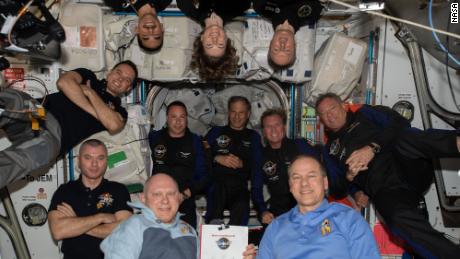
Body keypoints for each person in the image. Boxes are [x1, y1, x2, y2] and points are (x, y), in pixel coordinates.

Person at [316, 92, 460, 258]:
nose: (330, 115)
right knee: (395, 218)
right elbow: (337, 189)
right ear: (321, 119)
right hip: (386, 189)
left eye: (332, 108)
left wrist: (372, 148)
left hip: (407, 165)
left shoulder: (365, 113)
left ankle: (456, 142)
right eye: (324, 114)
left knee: (405, 137)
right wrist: (350, 178)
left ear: (343, 105)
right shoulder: (329, 151)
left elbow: (400, 122)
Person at [0, 60, 137, 189]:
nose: (120, 79)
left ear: (128, 88)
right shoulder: (88, 76)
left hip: (54, 137)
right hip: (40, 112)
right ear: (110, 72)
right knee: (14, 102)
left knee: (27, 159)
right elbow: (64, 82)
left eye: (127, 79)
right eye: (119, 72)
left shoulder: (120, 112)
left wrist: (90, 93)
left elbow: (113, 125)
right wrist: (99, 113)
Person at [255, 155, 380, 259]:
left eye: (311, 176)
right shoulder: (275, 228)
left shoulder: (350, 220)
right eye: (297, 177)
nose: (304, 183)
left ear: (325, 183)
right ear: (290, 186)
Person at [48, 139, 132, 259]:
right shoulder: (65, 191)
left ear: (106, 161)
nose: (94, 164)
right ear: (78, 161)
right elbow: (58, 231)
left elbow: (125, 231)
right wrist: (100, 217)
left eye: (100, 158)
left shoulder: (118, 190)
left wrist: (75, 222)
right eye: (88, 157)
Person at [205, 96, 265, 225]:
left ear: (248, 114)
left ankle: (236, 239)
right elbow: (199, 156)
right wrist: (216, 158)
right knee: (216, 191)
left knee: (242, 205)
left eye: (241, 112)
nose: (237, 116)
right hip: (217, 186)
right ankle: (214, 229)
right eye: (233, 111)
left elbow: (258, 169)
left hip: (239, 187)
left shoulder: (253, 137)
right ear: (228, 112)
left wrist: (242, 164)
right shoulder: (215, 132)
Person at [148, 101, 208, 228]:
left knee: (186, 242)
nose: (178, 121)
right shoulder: (154, 138)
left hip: (184, 199)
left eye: (182, 117)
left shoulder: (195, 141)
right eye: (174, 117)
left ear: (187, 119)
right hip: (157, 201)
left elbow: (203, 175)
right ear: (167, 118)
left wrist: (185, 194)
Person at [258, 108, 319, 225]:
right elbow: (256, 187)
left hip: (306, 207)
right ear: (264, 131)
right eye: (268, 126)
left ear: (284, 127)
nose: (273, 130)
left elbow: (319, 172)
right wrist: (262, 211)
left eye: (277, 125)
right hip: (278, 211)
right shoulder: (261, 155)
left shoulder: (300, 145)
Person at [177, 0, 250, 81]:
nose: (215, 39)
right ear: (226, 39)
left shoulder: (185, 5)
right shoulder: (242, 5)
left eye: (209, 44)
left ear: (201, 39)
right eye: (220, 44)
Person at [253, 0, 323, 69]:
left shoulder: (261, 6)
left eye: (276, 49)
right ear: (295, 45)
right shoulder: (313, 13)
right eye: (287, 50)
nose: (282, 45)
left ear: (271, 43)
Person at [103, 0, 172, 52]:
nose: (150, 31)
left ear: (137, 30)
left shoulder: (117, 3)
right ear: (162, 27)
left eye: (145, 37)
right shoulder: (164, 1)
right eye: (156, 36)